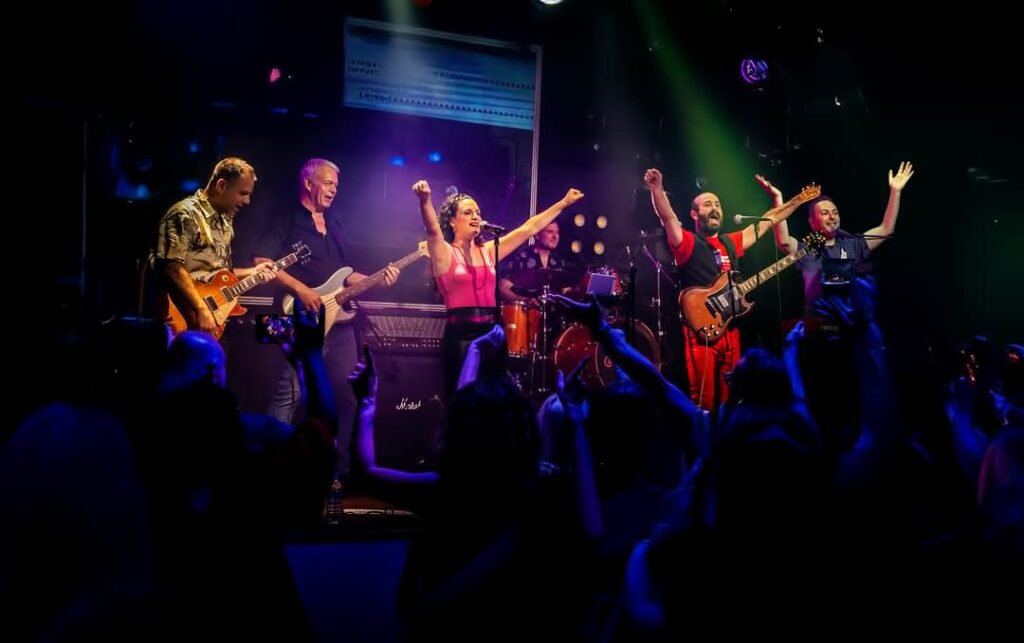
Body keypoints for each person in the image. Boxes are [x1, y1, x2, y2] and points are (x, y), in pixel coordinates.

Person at [255, 158, 400, 474]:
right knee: (288, 394)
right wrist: (301, 289)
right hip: (291, 315)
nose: (335, 189)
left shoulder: (335, 224)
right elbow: (261, 262)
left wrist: (379, 280)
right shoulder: (285, 217)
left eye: (337, 185)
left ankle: (336, 474)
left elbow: (345, 274)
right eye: (329, 183)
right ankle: (272, 470)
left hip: (338, 322)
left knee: (346, 398)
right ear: (309, 183)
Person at [643, 168, 802, 411]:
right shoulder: (687, 242)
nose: (715, 208)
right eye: (708, 204)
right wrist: (657, 189)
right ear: (694, 214)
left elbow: (768, 221)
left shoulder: (730, 242)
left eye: (717, 204)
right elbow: (668, 218)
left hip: (731, 329)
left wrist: (787, 199)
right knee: (704, 400)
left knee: (731, 397)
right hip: (701, 332)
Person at [412, 179, 584, 398]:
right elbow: (433, 230)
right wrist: (425, 200)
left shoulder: (488, 250)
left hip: (492, 332)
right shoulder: (445, 253)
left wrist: (564, 203)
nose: (476, 216)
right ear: (452, 222)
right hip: (462, 335)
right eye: (468, 212)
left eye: (478, 212)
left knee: (494, 400)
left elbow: (529, 228)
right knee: (464, 400)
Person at [767, 161, 914, 315]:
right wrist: (778, 200)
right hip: (818, 322)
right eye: (824, 213)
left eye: (835, 213)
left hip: (849, 321)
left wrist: (895, 192)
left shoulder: (852, 244)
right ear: (812, 222)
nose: (832, 217)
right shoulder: (806, 250)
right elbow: (783, 241)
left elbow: (885, 229)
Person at [154, 156, 277, 335]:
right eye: (243, 193)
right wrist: (201, 309)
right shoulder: (185, 214)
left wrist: (252, 272)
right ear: (221, 186)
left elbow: (216, 275)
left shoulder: (225, 219)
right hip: (185, 318)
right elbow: (171, 266)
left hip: (213, 321)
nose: (247, 201)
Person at [498, 221, 578, 302]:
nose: (555, 236)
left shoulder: (558, 261)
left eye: (557, 232)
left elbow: (564, 290)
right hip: (527, 309)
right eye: (550, 232)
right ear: (537, 234)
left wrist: (578, 291)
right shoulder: (521, 258)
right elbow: (502, 287)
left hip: (552, 309)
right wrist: (525, 300)